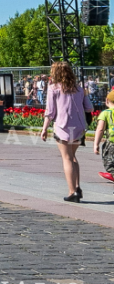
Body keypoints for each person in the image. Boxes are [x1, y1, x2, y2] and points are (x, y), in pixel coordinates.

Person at [42, 61, 92, 202]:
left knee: (67, 158)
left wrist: (44, 128)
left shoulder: (53, 88)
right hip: (79, 127)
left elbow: (50, 112)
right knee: (73, 157)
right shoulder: (79, 88)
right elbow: (89, 108)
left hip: (63, 127)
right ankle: (78, 187)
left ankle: (72, 191)